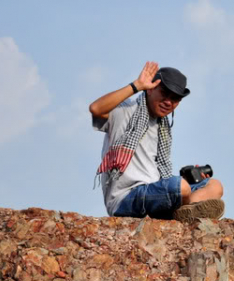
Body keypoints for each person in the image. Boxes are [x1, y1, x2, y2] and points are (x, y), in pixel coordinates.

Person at [90, 61, 224, 221]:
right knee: (180, 187)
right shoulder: (125, 110)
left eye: (175, 99)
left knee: (215, 186)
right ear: (151, 89)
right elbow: (96, 108)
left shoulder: (163, 128)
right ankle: (185, 208)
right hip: (125, 198)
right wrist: (136, 86)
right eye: (164, 94)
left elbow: (161, 175)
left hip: (157, 191)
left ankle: (185, 210)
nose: (168, 102)